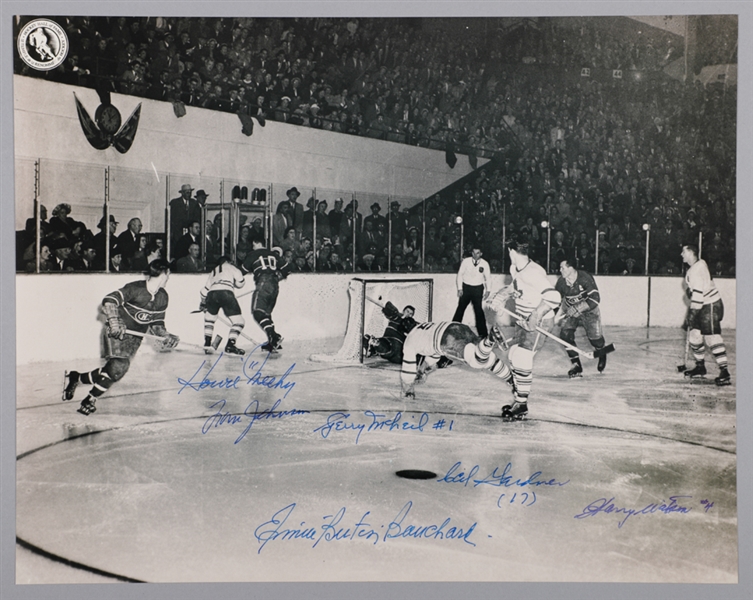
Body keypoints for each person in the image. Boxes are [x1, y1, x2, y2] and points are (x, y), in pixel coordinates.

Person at [62, 260, 179, 416]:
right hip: (117, 331)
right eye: (168, 274)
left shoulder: (163, 296)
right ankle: (90, 399)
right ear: (164, 273)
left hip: (134, 338)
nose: (169, 277)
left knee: (112, 370)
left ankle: (76, 377)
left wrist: (165, 335)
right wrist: (114, 320)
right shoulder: (135, 288)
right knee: (119, 367)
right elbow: (109, 300)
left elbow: (157, 324)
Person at [487, 238, 561, 420]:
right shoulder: (516, 269)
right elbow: (515, 287)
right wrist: (501, 296)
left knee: (521, 357)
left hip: (539, 321)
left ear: (511, 251)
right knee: (513, 355)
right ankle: (520, 397)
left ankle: (521, 403)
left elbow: (554, 297)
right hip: (522, 319)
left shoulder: (534, 273)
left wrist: (535, 316)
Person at [399, 321, 511, 403]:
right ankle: (512, 380)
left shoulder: (409, 340)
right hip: (458, 327)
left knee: (476, 362)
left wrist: (408, 389)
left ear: (405, 333)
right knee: (485, 357)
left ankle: (489, 340)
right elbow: (433, 353)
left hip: (447, 338)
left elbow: (407, 368)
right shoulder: (422, 325)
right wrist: (422, 370)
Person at [681, 244, 731, 386]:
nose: (681, 254)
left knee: (712, 338)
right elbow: (698, 290)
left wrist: (691, 316)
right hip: (703, 305)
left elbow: (698, 297)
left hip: (710, 306)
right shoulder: (699, 264)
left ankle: (724, 371)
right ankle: (700, 366)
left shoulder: (696, 270)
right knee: (695, 336)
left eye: (684, 252)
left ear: (691, 253)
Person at [555, 257, 609, 377]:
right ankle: (576, 365)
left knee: (595, 339)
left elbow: (595, 299)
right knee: (565, 336)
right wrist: (554, 315)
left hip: (589, 311)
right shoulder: (561, 283)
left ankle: (602, 351)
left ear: (571, 268)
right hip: (570, 310)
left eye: (562, 267)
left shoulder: (585, 278)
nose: (560, 270)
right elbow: (555, 300)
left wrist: (578, 308)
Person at [242, 234, 291, 353]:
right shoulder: (273, 254)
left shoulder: (253, 254)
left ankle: (274, 336)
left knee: (257, 312)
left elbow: (242, 271)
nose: (252, 247)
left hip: (263, 282)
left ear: (256, 242)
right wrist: (276, 277)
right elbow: (288, 268)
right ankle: (272, 343)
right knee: (266, 314)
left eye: (253, 244)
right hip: (275, 285)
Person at [199, 255, 247, 355]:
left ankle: (207, 343)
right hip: (226, 293)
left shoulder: (214, 271)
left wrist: (203, 303)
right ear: (228, 261)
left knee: (209, 319)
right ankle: (231, 344)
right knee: (239, 321)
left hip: (212, 294)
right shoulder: (231, 267)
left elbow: (204, 291)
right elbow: (241, 283)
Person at [452, 246, 491, 338]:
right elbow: (460, 275)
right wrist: (460, 288)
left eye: (477, 253)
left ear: (481, 254)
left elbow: (488, 278)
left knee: (478, 311)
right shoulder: (466, 261)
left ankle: (483, 334)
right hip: (466, 288)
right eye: (473, 253)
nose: (475, 255)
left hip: (478, 289)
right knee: (460, 309)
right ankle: (452, 330)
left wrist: (488, 290)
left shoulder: (485, 264)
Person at [169, 183, 201, 250]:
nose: (189, 194)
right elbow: (172, 219)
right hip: (178, 233)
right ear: (182, 193)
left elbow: (197, 217)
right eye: (187, 192)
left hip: (191, 233)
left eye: (190, 192)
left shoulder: (194, 203)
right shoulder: (175, 203)